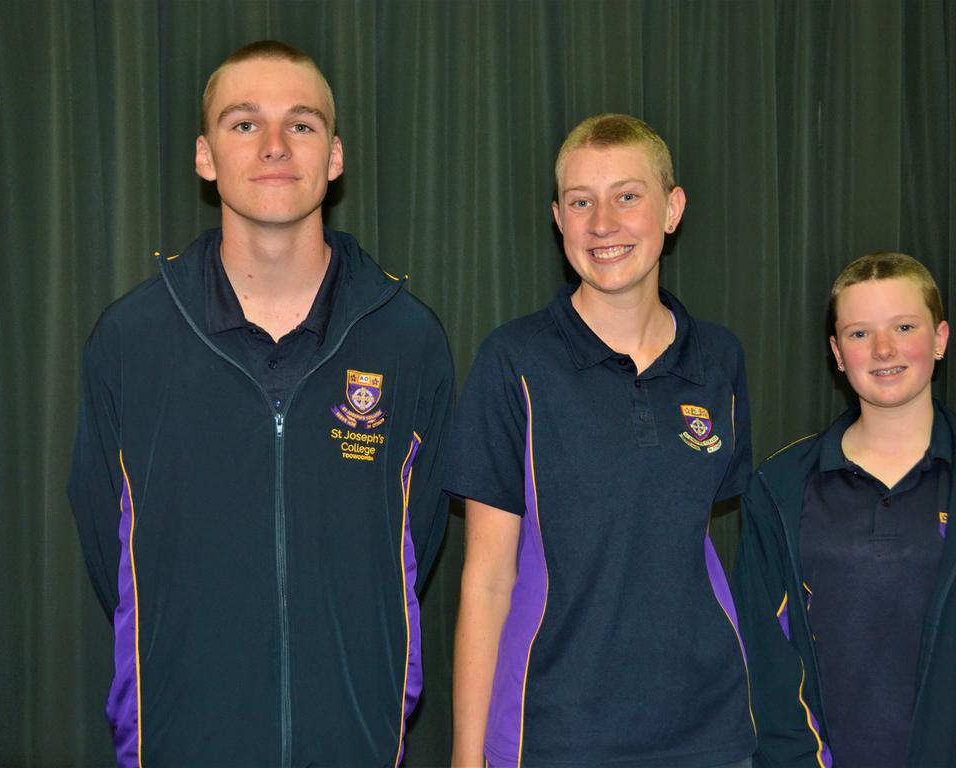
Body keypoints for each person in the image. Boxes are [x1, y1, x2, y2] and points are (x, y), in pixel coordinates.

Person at [68, 40, 453, 767]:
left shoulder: (408, 340)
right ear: (204, 155)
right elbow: (108, 546)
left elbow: (413, 543)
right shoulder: (132, 340)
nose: (275, 146)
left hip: (356, 742)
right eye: (245, 124)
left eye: (301, 125)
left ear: (334, 156)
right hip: (182, 740)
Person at [446, 114, 755, 767]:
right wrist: (466, 756)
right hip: (558, 734)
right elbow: (487, 580)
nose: (603, 223)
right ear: (558, 218)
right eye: (581, 202)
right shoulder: (514, 362)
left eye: (627, 196)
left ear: (672, 209)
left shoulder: (719, 360)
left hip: (708, 731)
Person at [734, 253, 956, 768]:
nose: (883, 349)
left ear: (940, 338)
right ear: (836, 352)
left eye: (904, 326)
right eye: (859, 334)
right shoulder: (780, 486)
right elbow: (765, 657)